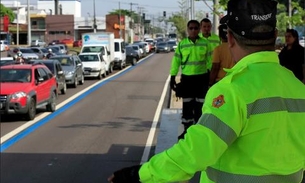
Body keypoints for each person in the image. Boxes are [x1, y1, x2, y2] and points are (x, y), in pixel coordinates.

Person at [108, 0, 305, 182]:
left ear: (230, 38)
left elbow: (194, 153)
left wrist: (139, 175)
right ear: (275, 35)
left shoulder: (232, 91)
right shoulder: (298, 88)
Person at [169, 20, 210, 140]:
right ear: (187, 30)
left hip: (201, 79)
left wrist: (210, 77)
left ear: (199, 29)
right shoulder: (182, 44)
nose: (193, 30)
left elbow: (210, 61)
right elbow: (176, 62)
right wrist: (172, 77)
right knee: (187, 105)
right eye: (191, 28)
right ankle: (187, 130)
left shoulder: (205, 43)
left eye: (196, 28)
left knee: (200, 106)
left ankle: (198, 132)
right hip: (187, 80)